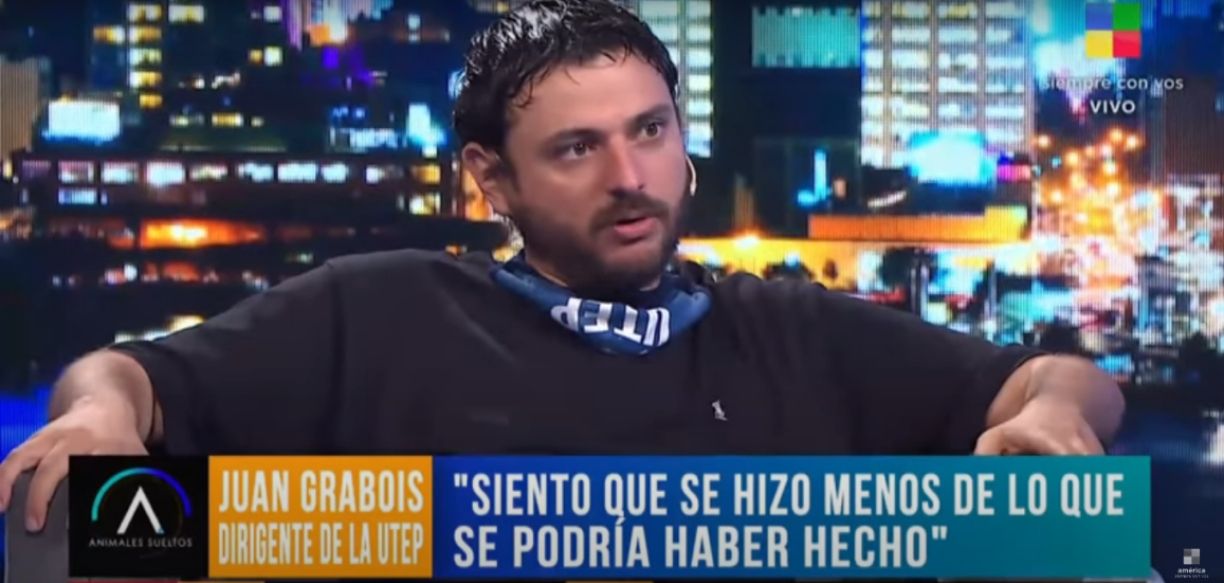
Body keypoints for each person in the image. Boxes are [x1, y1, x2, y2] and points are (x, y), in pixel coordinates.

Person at [0, 0, 1123, 535]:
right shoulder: (380, 311)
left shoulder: (789, 328)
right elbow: (131, 377)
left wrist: (1055, 417)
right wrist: (98, 418)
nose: (632, 178)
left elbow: (1059, 379)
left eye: (650, 132)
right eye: (578, 149)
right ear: (492, 180)